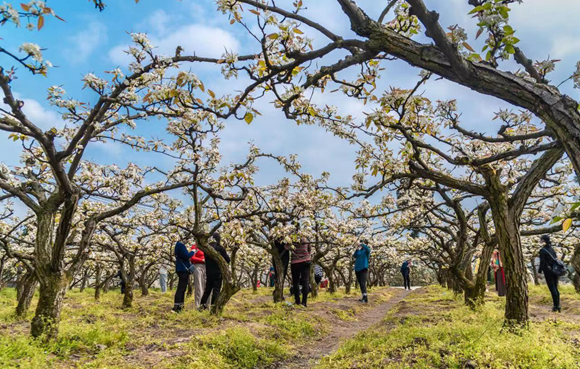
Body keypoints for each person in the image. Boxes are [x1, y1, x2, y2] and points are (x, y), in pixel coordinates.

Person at [200, 233, 230, 310]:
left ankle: (202, 306)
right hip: (218, 272)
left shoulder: (207, 248)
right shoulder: (220, 248)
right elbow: (228, 260)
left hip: (209, 272)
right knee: (216, 290)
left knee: (207, 290)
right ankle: (213, 307)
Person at [538, 235, 561, 312]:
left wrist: (539, 272)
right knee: (555, 287)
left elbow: (542, 262)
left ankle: (555, 306)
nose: (540, 241)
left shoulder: (543, 250)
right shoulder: (552, 249)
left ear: (543, 240)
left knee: (552, 288)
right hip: (555, 271)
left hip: (548, 271)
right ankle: (558, 305)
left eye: (541, 239)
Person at [288, 236, 311, 307]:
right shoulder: (307, 238)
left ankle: (297, 300)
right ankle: (304, 302)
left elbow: (287, 247)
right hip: (306, 261)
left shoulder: (291, 239)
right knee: (306, 281)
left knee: (296, 282)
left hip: (295, 262)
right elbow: (309, 249)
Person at [173, 241, 196, 312]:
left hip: (181, 269)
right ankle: (177, 307)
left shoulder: (178, 245)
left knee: (182, 288)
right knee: (181, 288)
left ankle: (180, 305)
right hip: (183, 269)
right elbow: (186, 255)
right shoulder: (180, 245)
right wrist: (193, 251)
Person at [190, 243, 206, 309]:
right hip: (198, 266)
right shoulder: (195, 246)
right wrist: (201, 260)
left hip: (206, 267)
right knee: (198, 286)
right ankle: (198, 305)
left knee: (206, 286)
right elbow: (192, 258)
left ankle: (206, 305)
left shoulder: (206, 246)